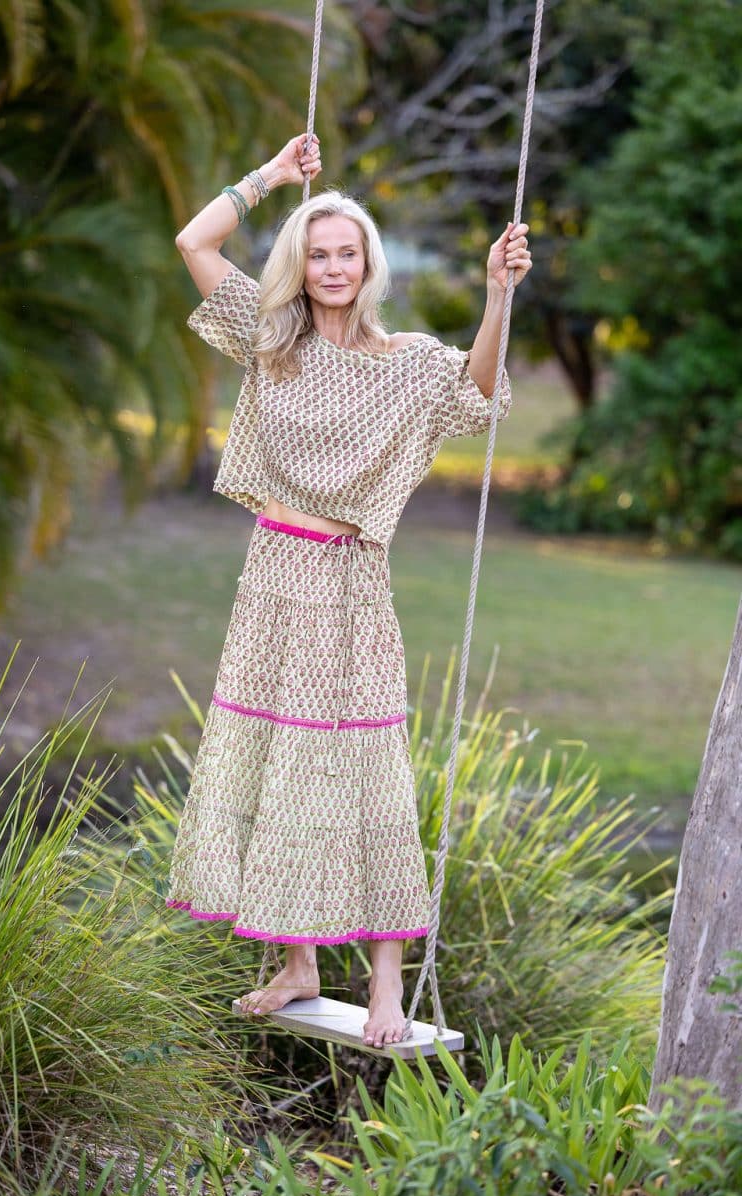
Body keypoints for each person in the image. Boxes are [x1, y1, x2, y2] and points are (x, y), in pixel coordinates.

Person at [165, 133, 532, 1049]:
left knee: (366, 771)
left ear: (369, 267)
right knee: (281, 762)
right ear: (301, 265)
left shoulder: (405, 362)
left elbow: (479, 395)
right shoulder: (272, 342)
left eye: (348, 254)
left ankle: (386, 986)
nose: (333, 267)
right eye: (319, 253)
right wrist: (274, 177)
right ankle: (297, 965)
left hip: (350, 582)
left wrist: (497, 294)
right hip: (271, 579)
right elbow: (194, 242)